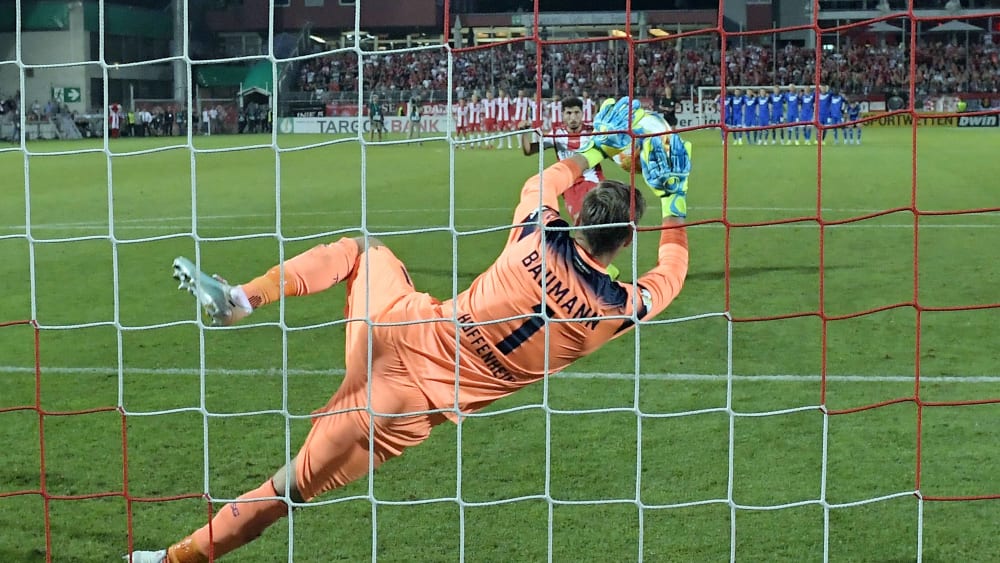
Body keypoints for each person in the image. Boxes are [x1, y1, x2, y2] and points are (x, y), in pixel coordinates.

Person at [125, 97, 693, 563]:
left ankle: (241, 298)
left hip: (397, 326)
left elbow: (540, 181)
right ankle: (169, 562)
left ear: (580, 213)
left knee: (362, 250)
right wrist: (676, 202)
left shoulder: (536, 235)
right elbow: (672, 274)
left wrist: (594, 148)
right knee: (284, 491)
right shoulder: (614, 309)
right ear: (623, 242)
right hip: (402, 405)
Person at [519, 96, 601, 225]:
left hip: (592, 180)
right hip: (569, 184)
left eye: (576, 113)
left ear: (582, 114)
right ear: (562, 114)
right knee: (579, 222)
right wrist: (524, 132)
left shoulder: (593, 132)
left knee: (595, 219)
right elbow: (529, 150)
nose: (573, 117)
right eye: (568, 113)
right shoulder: (557, 134)